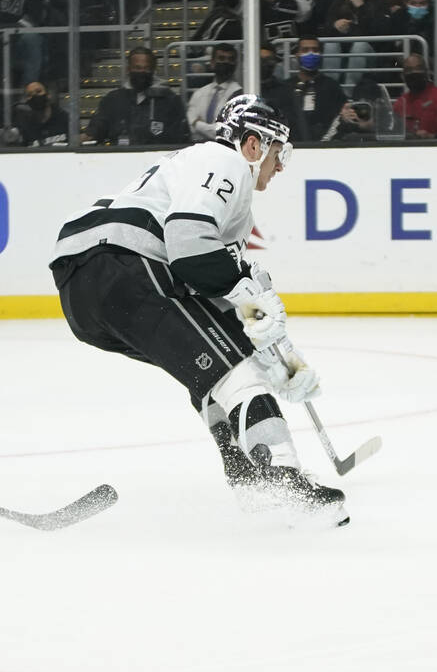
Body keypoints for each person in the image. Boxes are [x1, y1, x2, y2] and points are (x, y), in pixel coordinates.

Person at [49, 95, 347, 525]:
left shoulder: (198, 176)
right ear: (252, 145)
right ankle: (282, 482)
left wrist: (286, 363)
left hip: (86, 288)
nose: (280, 166)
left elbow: (212, 293)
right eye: (278, 153)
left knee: (209, 371)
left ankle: (248, 477)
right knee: (238, 370)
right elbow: (190, 249)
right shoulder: (222, 162)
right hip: (121, 262)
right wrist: (249, 300)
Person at [82, 47, 188, 146]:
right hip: (119, 158)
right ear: (128, 69)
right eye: (137, 68)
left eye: (146, 68)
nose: (142, 72)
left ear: (153, 70)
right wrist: (86, 137)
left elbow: (180, 137)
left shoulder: (170, 100)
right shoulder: (113, 99)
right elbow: (96, 129)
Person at [391, 52, 437, 138]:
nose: (414, 75)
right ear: (403, 76)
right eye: (409, 72)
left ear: (426, 73)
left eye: (418, 70)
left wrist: (433, 137)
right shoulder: (400, 104)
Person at [287, 34, 348, 141]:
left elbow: (341, 117)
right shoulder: (286, 88)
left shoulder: (332, 86)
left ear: (321, 54)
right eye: (305, 50)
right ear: (297, 55)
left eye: (315, 50)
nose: (311, 54)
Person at [187, 43, 243, 141]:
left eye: (230, 59)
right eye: (221, 58)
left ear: (235, 65)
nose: (226, 62)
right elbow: (190, 126)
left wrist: (197, 124)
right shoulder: (199, 93)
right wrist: (210, 128)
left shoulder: (239, 95)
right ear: (212, 63)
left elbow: (225, 132)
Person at [10, 79, 68, 146]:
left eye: (38, 91)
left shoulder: (65, 119)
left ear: (48, 95)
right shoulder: (24, 124)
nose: (35, 96)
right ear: (26, 100)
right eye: (30, 94)